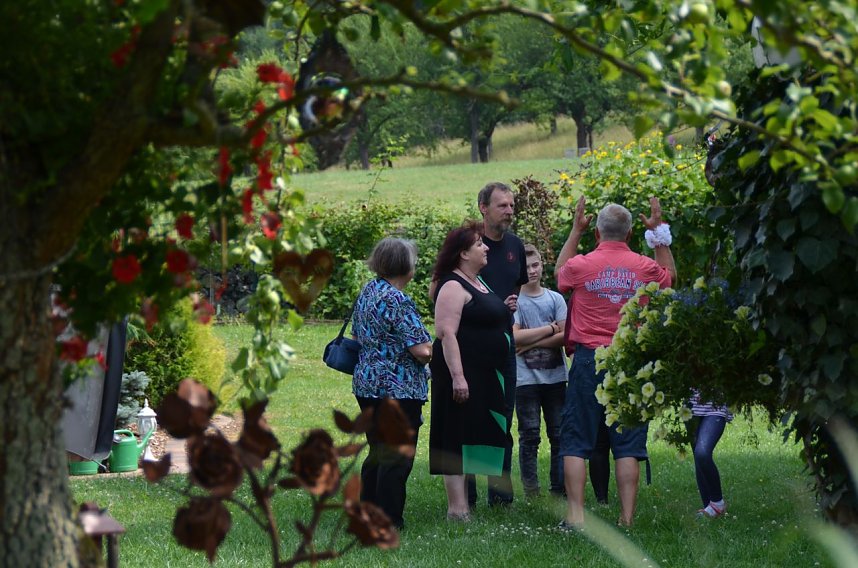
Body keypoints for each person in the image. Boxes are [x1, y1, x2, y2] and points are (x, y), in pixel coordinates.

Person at [555, 196, 676, 528]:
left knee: (576, 440)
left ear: (597, 232)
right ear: (630, 233)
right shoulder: (644, 266)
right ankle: (626, 519)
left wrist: (575, 231)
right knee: (627, 443)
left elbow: (560, 275)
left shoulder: (581, 265)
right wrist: (659, 233)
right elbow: (670, 277)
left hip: (588, 359)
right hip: (630, 359)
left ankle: (576, 515)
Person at [429, 222, 511, 520]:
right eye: (479, 244)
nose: (486, 247)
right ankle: (457, 508)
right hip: (461, 373)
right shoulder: (453, 285)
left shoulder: (477, 281)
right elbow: (446, 333)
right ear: (463, 253)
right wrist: (458, 377)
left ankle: (464, 504)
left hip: (485, 374)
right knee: (455, 434)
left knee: (473, 432)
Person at [351, 237, 432, 530]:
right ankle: (388, 520)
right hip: (399, 388)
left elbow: (357, 336)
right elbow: (421, 350)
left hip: (367, 384)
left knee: (378, 450)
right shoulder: (398, 300)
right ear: (404, 265)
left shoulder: (369, 291)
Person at [473, 181, 528, 507]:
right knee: (470, 419)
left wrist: (507, 306)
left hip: (504, 345)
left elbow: (516, 286)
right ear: (483, 207)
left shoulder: (515, 245)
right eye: (502, 205)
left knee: (503, 418)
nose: (509, 211)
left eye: (511, 205)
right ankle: (466, 498)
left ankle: (500, 497)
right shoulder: (467, 244)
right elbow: (440, 290)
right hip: (471, 345)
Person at [512, 244, 567, 498]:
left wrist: (530, 342)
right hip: (525, 381)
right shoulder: (515, 301)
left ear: (543, 264)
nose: (532, 271)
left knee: (559, 434)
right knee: (529, 435)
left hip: (556, 379)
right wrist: (550, 329)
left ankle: (559, 489)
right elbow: (515, 338)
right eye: (526, 267)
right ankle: (531, 491)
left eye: (535, 265)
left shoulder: (555, 298)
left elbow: (566, 336)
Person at [689, 393, 732, 518]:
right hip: (691, 405)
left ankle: (717, 503)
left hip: (716, 405)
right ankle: (709, 509)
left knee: (702, 453)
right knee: (698, 458)